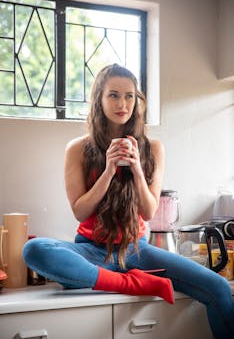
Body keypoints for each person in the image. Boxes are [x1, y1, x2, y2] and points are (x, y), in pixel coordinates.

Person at [23, 64, 234, 339]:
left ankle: (115, 278)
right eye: (113, 95)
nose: (122, 103)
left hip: (137, 251)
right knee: (35, 249)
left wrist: (136, 170)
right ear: (99, 98)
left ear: (137, 100)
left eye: (129, 96)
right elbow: (80, 211)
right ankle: (132, 283)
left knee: (218, 287)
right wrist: (109, 170)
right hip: (91, 252)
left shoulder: (153, 148)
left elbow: (148, 211)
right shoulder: (78, 149)